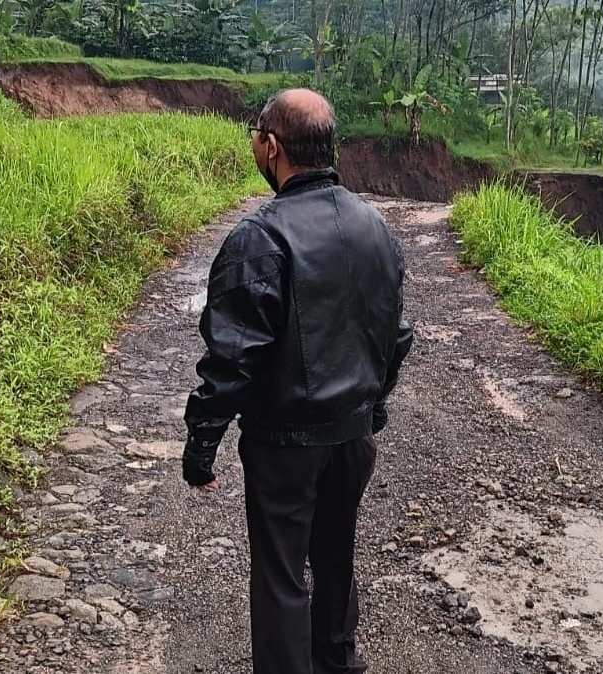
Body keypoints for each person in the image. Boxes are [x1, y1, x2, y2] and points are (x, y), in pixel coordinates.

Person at [183, 88, 414, 674]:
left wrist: (201, 443)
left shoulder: (259, 238)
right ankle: (339, 664)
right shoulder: (376, 229)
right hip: (352, 438)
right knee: (336, 560)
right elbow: (394, 334)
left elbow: (232, 358)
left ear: (271, 146)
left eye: (256, 138)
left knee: (283, 578)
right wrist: (372, 405)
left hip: (284, 444)